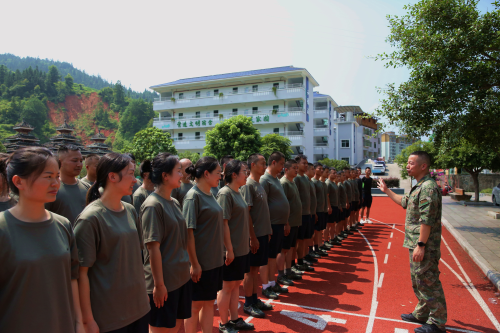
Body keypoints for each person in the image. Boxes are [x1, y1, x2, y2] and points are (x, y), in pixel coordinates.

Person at [0, 147, 84, 333]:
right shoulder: (3, 229)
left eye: (57, 176)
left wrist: (79, 322)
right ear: (18, 181)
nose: (55, 183)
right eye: (48, 177)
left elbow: (72, 278)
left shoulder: (63, 225)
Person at [74, 153, 150, 333]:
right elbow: (80, 274)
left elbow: (135, 258)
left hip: (137, 309)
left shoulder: (130, 210)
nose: (135, 179)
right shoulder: (90, 219)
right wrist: (87, 319)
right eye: (131, 174)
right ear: (112, 176)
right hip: (110, 317)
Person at [378, 151, 447, 333]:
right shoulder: (419, 186)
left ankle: (437, 322)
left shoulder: (428, 188)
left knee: (428, 282)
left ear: (423, 166)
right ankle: (422, 312)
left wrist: (421, 245)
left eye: (411, 163)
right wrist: (386, 190)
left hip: (425, 245)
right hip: (415, 242)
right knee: (419, 281)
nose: (407, 166)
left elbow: (427, 220)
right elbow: (404, 202)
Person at [141, 153, 192, 333]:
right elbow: (153, 249)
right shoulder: (153, 206)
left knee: (177, 327)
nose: (182, 175)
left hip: (180, 278)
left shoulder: (174, 202)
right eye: (178, 171)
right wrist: (159, 285)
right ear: (165, 175)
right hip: (165, 282)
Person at [182, 157, 224, 333]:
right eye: (217, 173)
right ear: (206, 174)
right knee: (195, 306)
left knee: (208, 303)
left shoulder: (210, 193)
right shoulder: (193, 197)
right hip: (201, 263)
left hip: (214, 261)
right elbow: (188, 232)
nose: (221, 176)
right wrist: (194, 263)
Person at [216, 160, 254, 333]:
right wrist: (229, 249)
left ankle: (234, 319)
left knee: (235, 285)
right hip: (232, 250)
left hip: (241, 249)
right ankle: (224, 323)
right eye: (244, 171)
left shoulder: (238, 192)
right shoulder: (225, 193)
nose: (246, 174)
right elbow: (223, 223)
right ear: (234, 175)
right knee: (227, 287)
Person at [240, 154, 274, 318]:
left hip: (262, 233)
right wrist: (252, 237)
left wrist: (267, 230)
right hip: (255, 235)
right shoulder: (248, 185)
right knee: (250, 271)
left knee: (255, 270)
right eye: (262, 163)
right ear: (253, 165)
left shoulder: (258, 184)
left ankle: (254, 299)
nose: (264, 166)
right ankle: (248, 303)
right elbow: (247, 214)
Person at [259, 151, 289, 300]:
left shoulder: (276, 179)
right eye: (282, 164)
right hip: (271, 225)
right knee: (269, 257)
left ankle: (272, 281)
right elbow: (262, 205)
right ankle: (268, 285)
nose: (283, 167)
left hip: (279, 223)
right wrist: (268, 225)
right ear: (274, 163)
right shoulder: (265, 180)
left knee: (273, 255)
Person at [45, 145, 89, 225]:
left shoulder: (87, 187)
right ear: (60, 162)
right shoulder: (51, 189)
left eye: (80, 160)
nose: (79, 164)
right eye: (74, 161)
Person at [278, 160, 303, 284]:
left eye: (297, 168)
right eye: (294, 168)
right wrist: (286, 222)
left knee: (291, 248)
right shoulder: (284, 183)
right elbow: (283, 204)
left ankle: (288, 270)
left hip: (295, 222)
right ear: (286, 169)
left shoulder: (292, 182)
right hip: (288, 223)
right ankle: (281, 274)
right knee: (284, 249)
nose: (296, 170)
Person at [293, 155, 314, 272]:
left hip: (307, 213)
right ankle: (296, 262)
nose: (306, 165)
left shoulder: (305, 178)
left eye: (307, 163)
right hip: (299, 215)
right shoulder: (296, 179)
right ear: (297, 164)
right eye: (304, 163)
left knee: (305, 239)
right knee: (298, 240)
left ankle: (302, 259)